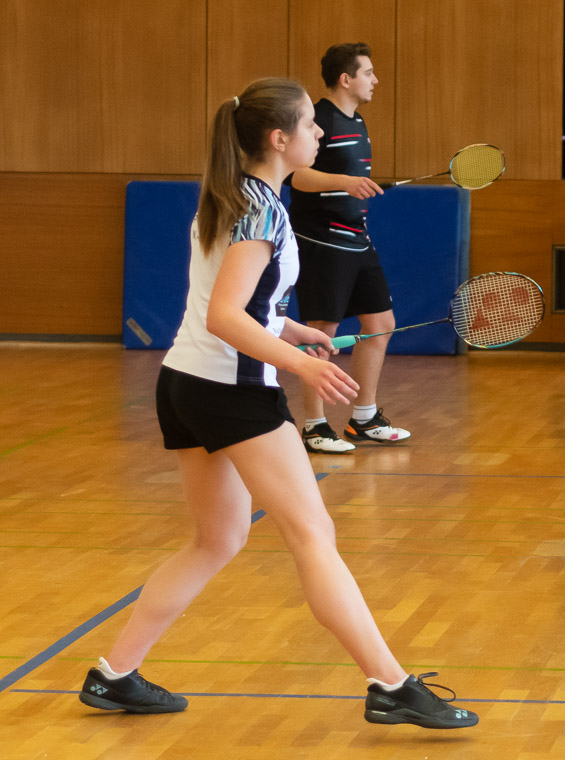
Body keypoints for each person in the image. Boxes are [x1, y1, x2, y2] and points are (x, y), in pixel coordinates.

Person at [77, 77, 478, 730]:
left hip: (185, 382)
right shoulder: (260, 210)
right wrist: (298, 364)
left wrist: (291, 330)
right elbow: (225, 314)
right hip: (232, 392)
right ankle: (390, 684)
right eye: (310, 126)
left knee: (216, 540)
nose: (320, 133)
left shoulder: (234, 195)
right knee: (313, 535)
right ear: (279, 138)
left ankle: (114, 673)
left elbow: (239, 302)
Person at [288, 43, 411, 454]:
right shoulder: (317, 119)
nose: (375, 80)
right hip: (322, 241)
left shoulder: (356, 120)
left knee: (381, 323)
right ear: (346, 79)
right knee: (321, 334)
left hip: (357, 239)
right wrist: (344, 182)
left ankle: (364, 418)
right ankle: (314, 426)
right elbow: (295, 175)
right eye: (368, 73)